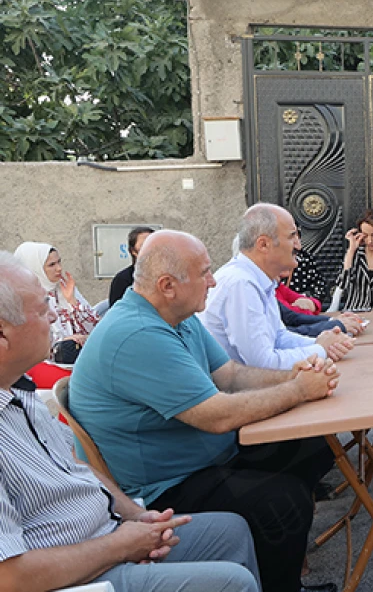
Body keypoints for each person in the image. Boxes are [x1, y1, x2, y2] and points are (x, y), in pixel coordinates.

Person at [68, 230, 344, 592]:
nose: (213, 281)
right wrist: (296, 390)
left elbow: (229, 375)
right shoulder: (137, 335)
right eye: (205, 272)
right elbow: (216, 416)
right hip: (164, 487)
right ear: (168, 285)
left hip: (202, 460)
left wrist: (292, 375)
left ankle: (279, 571)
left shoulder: (176, 317)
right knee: (283, 502)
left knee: (312, 446)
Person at [0, 251, 262, 592]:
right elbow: (10, 577)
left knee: (231, 531)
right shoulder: (134, 332)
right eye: (40, 310)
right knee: (234, 580)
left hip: (107, 535)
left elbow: (78, 467)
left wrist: (137, 517)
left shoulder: (21, 394)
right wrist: (121, 546)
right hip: (74, 576)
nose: (53, 315)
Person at [200, 204, 353, 371]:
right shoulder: (241, 284)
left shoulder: (258, 279)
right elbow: (263, 363)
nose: (298, 246)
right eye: (292, 236)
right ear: (264, 244)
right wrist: (320, 349)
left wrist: (324, 343)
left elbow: (279, 337)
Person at [13, 242, 99, 365]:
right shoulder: (23, 298)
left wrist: (72, 301)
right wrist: (61, 342)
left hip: (79, 363)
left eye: (59, 262)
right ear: (35, 268)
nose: (59, 268)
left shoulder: (63, 288)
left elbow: (95, 328)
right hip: (40, 367)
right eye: (52, 265)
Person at [109, 226, 155, 306]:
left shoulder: (170, 275)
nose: (150, 249)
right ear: (133, 251)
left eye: (153, 244)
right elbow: (117, 312)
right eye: (144, 245)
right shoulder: (123, 279)